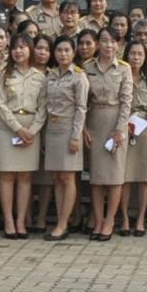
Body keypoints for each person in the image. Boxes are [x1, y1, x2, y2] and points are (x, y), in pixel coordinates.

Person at [0, 35, 47, 238]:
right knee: (7, 175)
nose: (18, 51)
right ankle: (8, 220)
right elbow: (0, 104)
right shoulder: (3, 74)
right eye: (15, 48)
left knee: (25, 176)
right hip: (7, 128)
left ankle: (21, 220)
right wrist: (18, 129)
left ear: (30, 50)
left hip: (31, 130)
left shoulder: (40, 77)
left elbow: (43, 107)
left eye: (23, 47)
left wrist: (32, 130)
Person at [83, 31, 133, 242]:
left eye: (113, 41)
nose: (108, 45)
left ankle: (110, 220)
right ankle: (98, 219)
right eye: (104, 41)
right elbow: (82, 101)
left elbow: (126, 100)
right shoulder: (87, 67)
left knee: (114, 177)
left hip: (115, 121)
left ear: (118, 44)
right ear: (97, 44)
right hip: (94, 120)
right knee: (96, 177)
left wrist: (120, 128)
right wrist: (83, 127)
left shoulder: (124, 68)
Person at [40, 36, 87, 240]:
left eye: (67, 50)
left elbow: (81, 109)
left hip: (69, 130)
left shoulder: (79, 76)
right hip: (52, 129)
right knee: (56, 177)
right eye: (59, 50)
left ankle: (63, 224)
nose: (63, 54)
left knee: (68, 177)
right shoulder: (50, 76)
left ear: (74, 52)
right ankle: (60, 220)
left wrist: (75, 136)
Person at [118, 37, 147, 237]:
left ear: (145, 57)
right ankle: (125, 218)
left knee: (145, 176)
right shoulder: (120, 75)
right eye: (133, 53)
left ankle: (141, 218)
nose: (136, 57)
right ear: (126, 55)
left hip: (145, 127)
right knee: (124, 176)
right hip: (123, 124)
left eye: (140, 54)